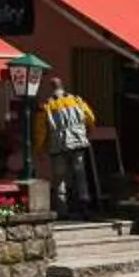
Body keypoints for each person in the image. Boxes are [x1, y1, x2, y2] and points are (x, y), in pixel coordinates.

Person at [44, 87, 96, 217]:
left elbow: (41, 129)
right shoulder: (77, 101)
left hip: (58, 146)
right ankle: (84, 207)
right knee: (80, 176)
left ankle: (62, 210)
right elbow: (90, 117)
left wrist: (40, 148)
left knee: (60, 178)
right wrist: (88, 131)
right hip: (77, 142)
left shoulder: (48, 105)